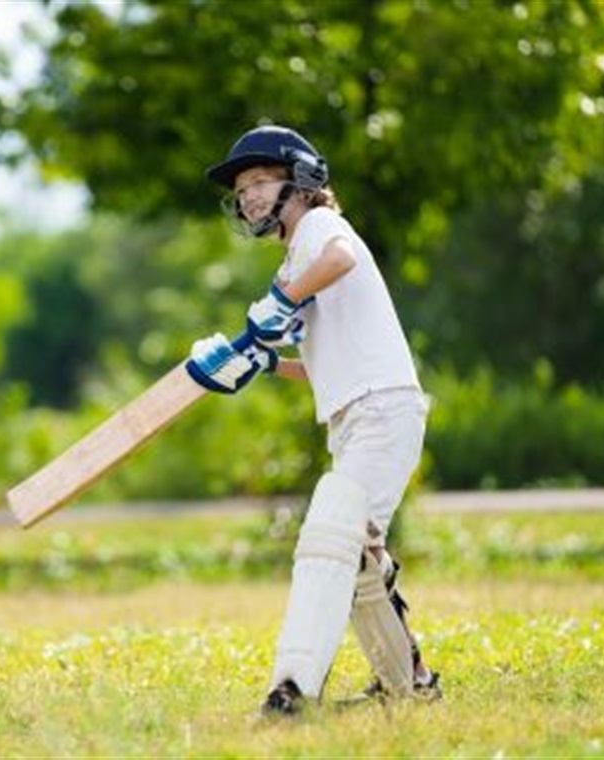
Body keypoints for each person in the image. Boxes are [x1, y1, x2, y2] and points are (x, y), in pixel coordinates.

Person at [185, 125, 441, 716]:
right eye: (241, 188)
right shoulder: (297, 256)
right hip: (359, 412)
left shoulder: (320, 228)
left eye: (258, 180)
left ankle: (292, 690)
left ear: (301, 180)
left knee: (331, 535)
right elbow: (322, 364)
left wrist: (282, 302)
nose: (247, 195)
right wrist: (265, 361)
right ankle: (412, 681)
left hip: (383, 409)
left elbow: (341, 257)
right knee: (356, 552)